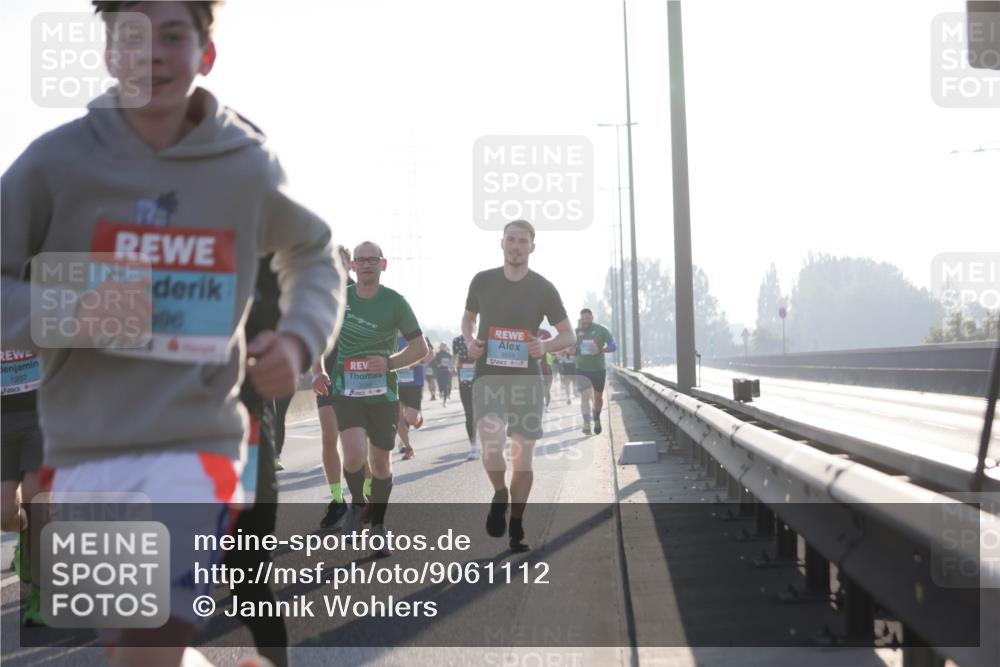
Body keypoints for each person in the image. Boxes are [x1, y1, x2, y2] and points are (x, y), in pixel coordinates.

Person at [1, 3, 344, 664]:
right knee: (132, 649)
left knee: (151, 636)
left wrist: (301, 339)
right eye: (130, 37)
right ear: (106, 55)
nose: (151, 53)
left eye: (173, 36)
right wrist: (72, 309)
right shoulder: (55, 163)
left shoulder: (243, 164)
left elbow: (313, 251)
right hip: (82, 453)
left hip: (195, 443)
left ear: (206, 54)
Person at [461, 220, 574, 552]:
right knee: (491, 444)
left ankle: (517, 527)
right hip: (489, 377)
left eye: (522, 241)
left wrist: (546, 346)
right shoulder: (482, 281)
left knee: (523, 462)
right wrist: (470, 341)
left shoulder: (544, 288)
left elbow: (568, 335)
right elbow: (468, 319)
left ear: (532, 248)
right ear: (501, 243)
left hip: (526, 380)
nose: (516, 245)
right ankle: (499, 492)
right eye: (511, 239)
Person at [329, 242, 427, 556]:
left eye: (373, 260)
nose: (366, 264)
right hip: (347, 390)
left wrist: (389, 363)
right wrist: (318, 370)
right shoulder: (339, 299)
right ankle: (357, 504)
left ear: (383, 265)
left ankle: (379, 526)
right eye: (361, 260)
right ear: (353, 266)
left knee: (381, 462)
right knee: (354, 453)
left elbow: (420, 348)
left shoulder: (395, 302)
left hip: (383, 393)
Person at [226, 256, 288, 667]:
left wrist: (297, 343)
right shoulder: (127, 223)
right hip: (152, 437)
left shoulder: (264, 235)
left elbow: (316, 289)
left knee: (246, 578)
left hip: (242, 434)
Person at [312, 245, 354, 529]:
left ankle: (364, 497)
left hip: (361, 380)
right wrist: (318, 371)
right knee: (330, 438)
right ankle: (338, 500)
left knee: (357, 444)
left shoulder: (364, 292)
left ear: (350, 265)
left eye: (341, 263)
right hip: (329, 379)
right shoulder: (318, 295)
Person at [1, 348, 44, 626]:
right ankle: (26, 540)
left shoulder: (37, 307)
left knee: (35, 496)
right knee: (5, 514)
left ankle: (41, 593)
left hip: (40, 413)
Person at [574, 308, 617, 435]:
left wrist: (600, 350)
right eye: (583, 318)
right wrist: (571, 350)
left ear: (592, 317)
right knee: (584, 397)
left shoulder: (601, 330)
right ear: (580, 319)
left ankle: (597, 417)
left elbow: (614, 346)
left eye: (588, 318)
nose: (585, 320)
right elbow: (572, 349)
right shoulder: (576, 332)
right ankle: (586, 423)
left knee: (598, 398)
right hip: (581, 369)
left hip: (598, 369)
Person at [394, 333, 424, 460]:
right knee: (398, 417)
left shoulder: (416, 335)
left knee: (410, 419)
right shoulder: (391, 337)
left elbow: (429, 354)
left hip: (414, 383)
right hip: (397, 383)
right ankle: (408, 448)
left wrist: (416, 362)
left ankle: (417, 417)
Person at [451, 334, 479, 460]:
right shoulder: (457, 340)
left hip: (482, 381)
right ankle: (473, 447)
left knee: (483, 414)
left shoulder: (481, 337)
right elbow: (454, 357)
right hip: (465, 382)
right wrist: (452, 367)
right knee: (469, 413)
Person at [537, 329, 554, 409]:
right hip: (532, 371)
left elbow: (554, 349)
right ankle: (541, 406)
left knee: (546, 390)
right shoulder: (524, 331)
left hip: (546, 368)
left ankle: (546, 406)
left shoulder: (545, 333)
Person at [433, 342, 453, 406]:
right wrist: (438, 364)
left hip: (447, 372)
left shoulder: (448, 354)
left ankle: (444, 401)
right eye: (442, 346)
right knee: (440, 385)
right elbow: (435, 362)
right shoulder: (438, 354)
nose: (443, 347)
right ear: (440, 347)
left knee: (446, 386)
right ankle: (440, 392)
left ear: (446, 347)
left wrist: (452, 367)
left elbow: (452, 362)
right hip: (439, 372)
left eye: (444, 346)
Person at [423, 336, 438, 401]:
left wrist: (427, 363)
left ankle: (434, 394)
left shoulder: (425, 338)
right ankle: (431, 394)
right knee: (428, 381)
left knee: (432, 380)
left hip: (431, 366)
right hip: (423, 365)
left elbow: (433, 353)